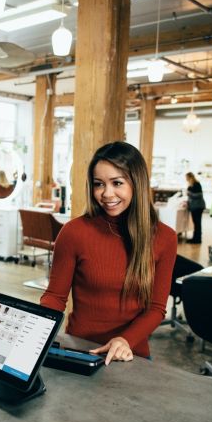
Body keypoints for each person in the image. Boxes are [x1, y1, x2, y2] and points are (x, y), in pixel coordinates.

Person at [40, 142, 176, 363]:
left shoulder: (164, 238)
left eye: (117, 183)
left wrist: (125, 340)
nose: (106, 193)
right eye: (99, 184)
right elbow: (55, 297)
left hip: (130, 354)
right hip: (80, 350)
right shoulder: (74, 232)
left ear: (137, 183)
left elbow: (156, 308)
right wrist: (37, 328)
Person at [185, 172, 205, 244]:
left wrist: (189, 194)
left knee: (197, 223)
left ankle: (197, 239)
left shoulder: (197, 184)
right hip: (194, 207)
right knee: (196, 223)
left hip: (198, 207)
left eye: (187, 177)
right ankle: (195, 238)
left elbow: (199, 195)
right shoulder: (190, 185)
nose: (186, 179)